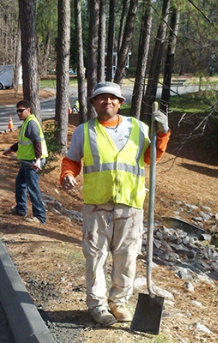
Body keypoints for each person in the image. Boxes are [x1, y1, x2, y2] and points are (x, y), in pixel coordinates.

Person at [60, 82, 171, 326]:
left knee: (127, 257)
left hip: (130, 205)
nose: (107, 102)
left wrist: (162, 133)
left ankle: (119, 302)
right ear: (93, 103)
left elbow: (151, 157)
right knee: (95, 257)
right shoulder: (84, 131)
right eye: (101, 98)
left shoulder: (138, 127)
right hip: (96, 206)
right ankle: (97, 305)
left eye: (112, 98)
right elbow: (71, 160)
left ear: (120, 102)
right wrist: (68, 174)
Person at [3, 99, 48, 224]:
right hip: (27, 161)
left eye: (21, 110)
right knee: (20, 184)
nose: (19, 113)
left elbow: (36, 142)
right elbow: (23, 142)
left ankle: (40, 216)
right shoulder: (26, 122)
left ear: (28, 110)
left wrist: (38, 160)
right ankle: (21, 208)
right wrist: (10, 149)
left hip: (33, 161)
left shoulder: (31, 123)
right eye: (17, 111)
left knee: (33, 188)